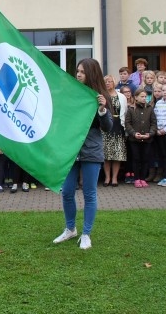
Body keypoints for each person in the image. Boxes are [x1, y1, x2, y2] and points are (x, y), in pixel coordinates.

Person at [53, 58, 112, 250]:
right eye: (77, 71)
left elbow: (108, 127)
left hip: (91, 151)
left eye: (82, 72)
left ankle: (86, 233)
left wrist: (102, 110)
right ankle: (70, 229)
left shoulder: (100, 97)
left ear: (91, 73)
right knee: (67, 191)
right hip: (72, 150)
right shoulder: (71, 94)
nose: (78, 74)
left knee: (89, 193)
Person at [125, 88, 157, 188]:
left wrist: (150, 133)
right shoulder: (131, 109)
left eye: (145, 97)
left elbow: (153, 123)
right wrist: (134, 133)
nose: (144, 99)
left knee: (145, 158)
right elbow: (127, 123)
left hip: (147, 139)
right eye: (142, 97)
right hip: (134, 139)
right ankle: (136, 179)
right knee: (136, 158)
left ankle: (143, 178)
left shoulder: (150, 108)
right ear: (136, 97)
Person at [102, 75, 127, 187]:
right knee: (106, 155)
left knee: (117, 154)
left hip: (118, 126)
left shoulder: (121, 96)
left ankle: (114, 178)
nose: (108, 83)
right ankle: (107, 178)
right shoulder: (102, 96)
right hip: (105, 127)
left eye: (110, 81)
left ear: (114, 83)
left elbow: (125, 112)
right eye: (105, 82)